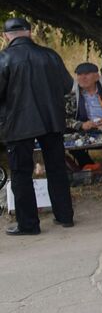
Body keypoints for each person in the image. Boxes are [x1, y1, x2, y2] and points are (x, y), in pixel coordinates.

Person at [0, 18, 75, 235]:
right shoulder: (50, 55)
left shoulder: (4, 58)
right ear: (29, 32)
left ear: (6, 36)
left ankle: (29, 224)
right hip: (52, 120)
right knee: (57, 169)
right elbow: (67, 86)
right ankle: (65, 216)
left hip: (18, 124)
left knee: (21, 173)